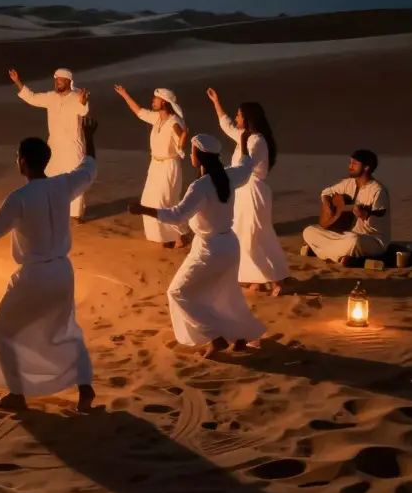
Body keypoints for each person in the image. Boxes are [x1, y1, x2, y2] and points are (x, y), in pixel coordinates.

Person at [0, 118, 100, 412]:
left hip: (34, 275)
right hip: (62, 272)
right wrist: (89, 136)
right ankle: (85, 387)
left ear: (23, 161)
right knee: (65, 328)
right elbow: (89, 168)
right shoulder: (64, 184)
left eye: (17, 156)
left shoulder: (19, 197)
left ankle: (16, 394)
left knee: (1, 330)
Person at [128, 133, 266, 358]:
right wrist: (242, 142)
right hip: (229, 245)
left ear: (199, 155)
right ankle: (239, 336)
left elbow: (177, 215)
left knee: (177, 293)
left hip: (210, 249)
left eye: (192, 150)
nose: (190, 154)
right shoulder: (229, 175)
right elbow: (246, 165)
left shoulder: (200, 186)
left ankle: (215, 337)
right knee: (225, 294)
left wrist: (143, 209)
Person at [205, 88, 288, 293]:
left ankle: (277, 280)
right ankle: (255, 279)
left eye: (239, 115)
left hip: (254, 192)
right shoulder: (245, 136)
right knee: (241, 234)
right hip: (242, 192)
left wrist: (241, 143)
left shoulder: (257, 141)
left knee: (256, 235)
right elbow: (226, 125)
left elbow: (245, 164)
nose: (236, 118)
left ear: (248, 118)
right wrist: (216, 102)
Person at [8, 67, 90, 221]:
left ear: (68, 81)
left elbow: (83, 110)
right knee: (49, 177)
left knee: (74, 180)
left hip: (72, 147)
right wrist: (17, 81)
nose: (57, 83)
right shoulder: (51, 97)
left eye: (60, 80)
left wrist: (83, 100)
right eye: (56, 80)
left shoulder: (76, 97)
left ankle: (75, 214)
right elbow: (32, 97)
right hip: (54, 147)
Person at [114, 85, 190, 248]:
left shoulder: (174, 122)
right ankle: (167, 235)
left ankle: (177, 236)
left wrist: (183, 136)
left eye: (156, 99)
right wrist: (124, 94)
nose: (153, 101)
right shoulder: (157, 118)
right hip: (155, 165)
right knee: (148, 200)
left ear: (164, 102)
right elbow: (139, 111)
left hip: (168, 166)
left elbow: (181, 142)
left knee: (164, 201)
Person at [301, 150, 390, 264]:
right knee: (309, 231)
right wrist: (327, 204)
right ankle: (341, 256)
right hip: (344, 234)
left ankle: (320, 251)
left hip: (370, 239)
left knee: (353, 240)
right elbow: (326, 192)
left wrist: (365, 215)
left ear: (366, 167)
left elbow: (380, 215)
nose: (350, 166)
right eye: (350, 162)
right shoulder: (348, 183)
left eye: (354, 164)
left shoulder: (377, 191)